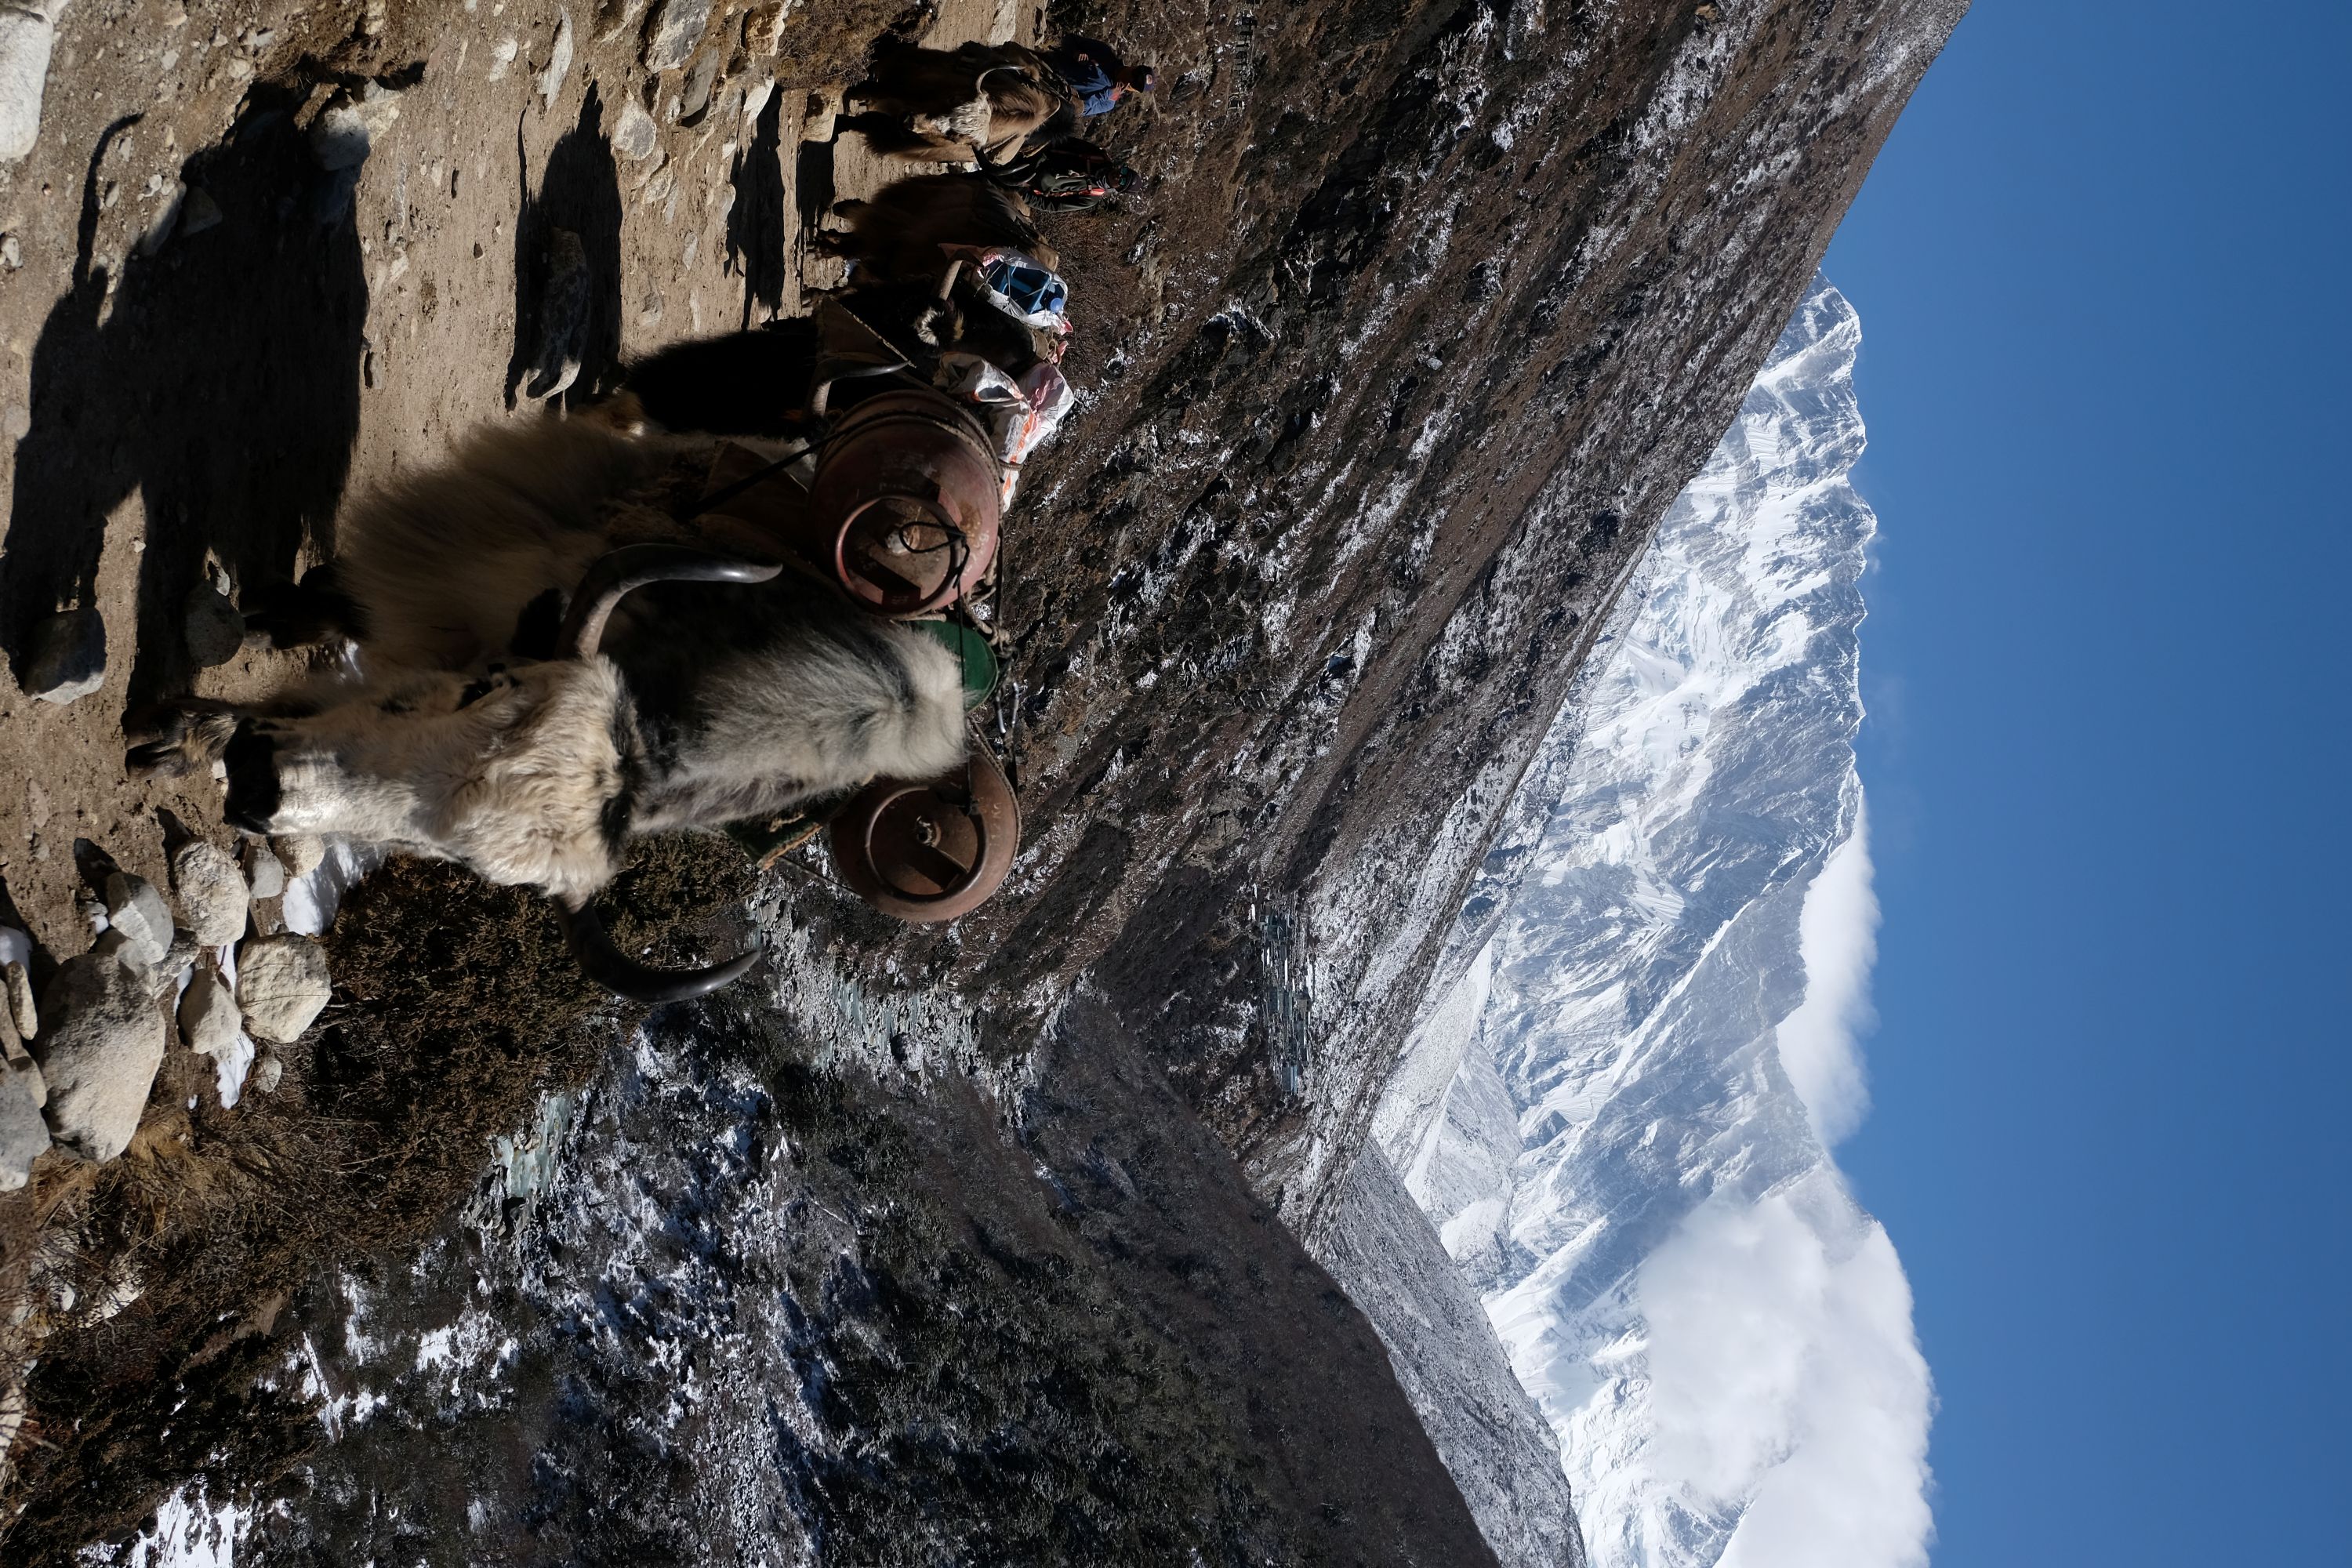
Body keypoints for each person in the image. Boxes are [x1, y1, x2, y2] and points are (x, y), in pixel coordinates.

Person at [1040, 34, 1156, 118]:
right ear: (1134, 67)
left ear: (1134, 90)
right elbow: (1069, 39)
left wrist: (1106, 94)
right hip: (1046, 64)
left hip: (1048, 94)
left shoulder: (1108, 103)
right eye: (1135, 75)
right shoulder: (1105, 53)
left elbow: (1078, 110)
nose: (1130, 81)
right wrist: (1075, 53)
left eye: (1135, 84)